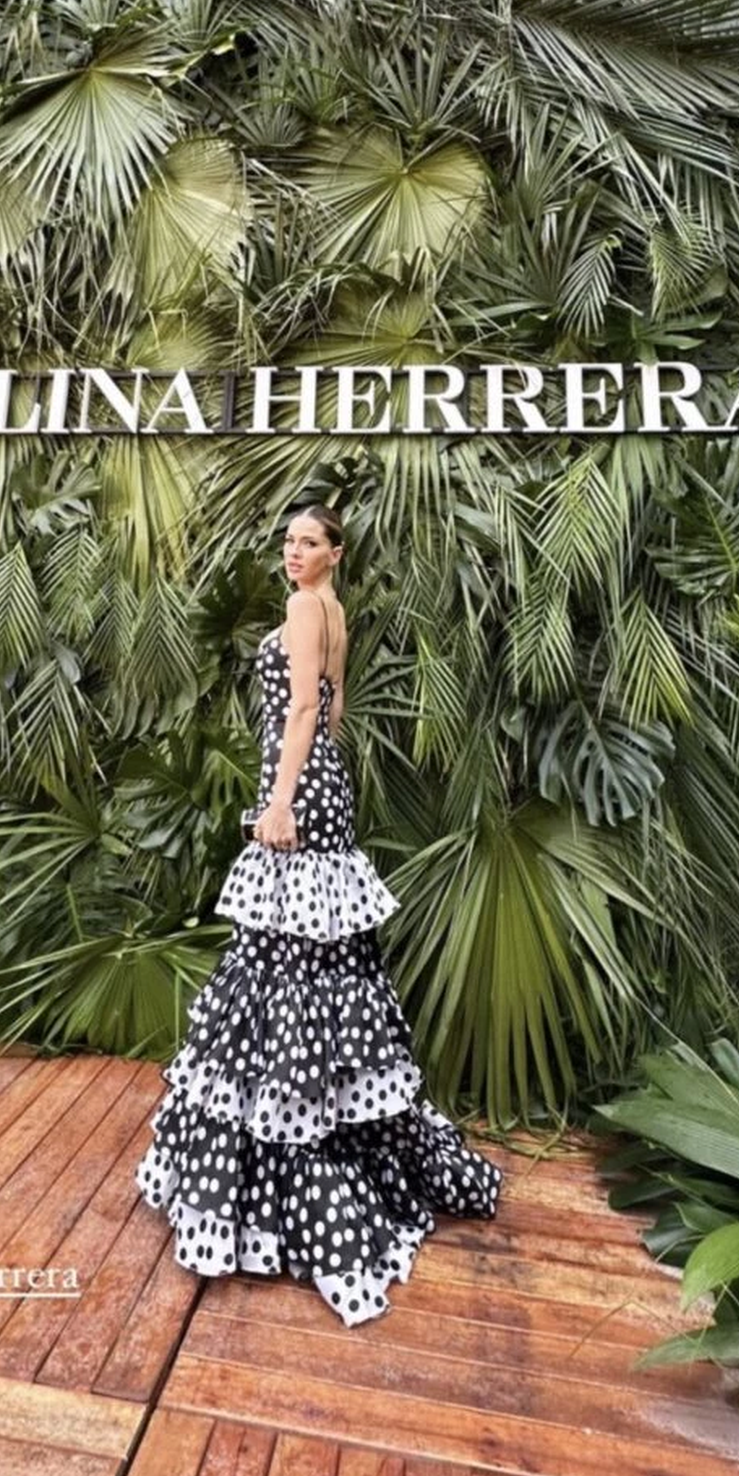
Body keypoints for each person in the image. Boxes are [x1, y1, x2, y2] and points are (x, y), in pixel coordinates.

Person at [134, 503, 503, 1325]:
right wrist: (306, 780)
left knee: (284, 953)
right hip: (326, 784)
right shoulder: (335, 612)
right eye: (289, 542)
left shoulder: (306, 608)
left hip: (299, 793)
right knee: (315, 951)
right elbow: (333, 713)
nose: (293, 554)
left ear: (336, 551)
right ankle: (324, 1108)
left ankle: (295, 1129)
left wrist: (278, 799)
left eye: (309, 543)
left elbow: (303, 712)